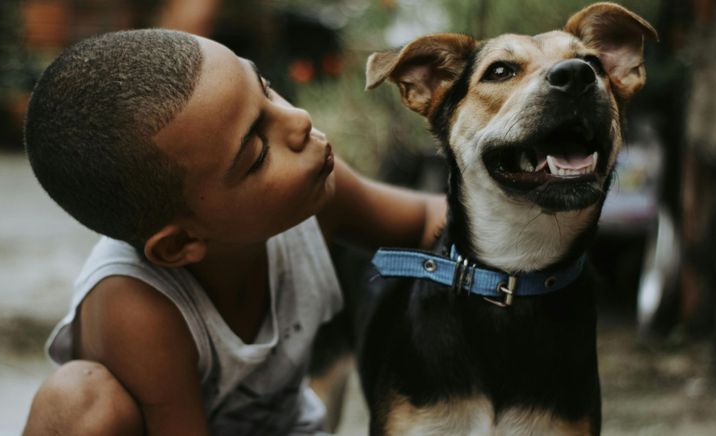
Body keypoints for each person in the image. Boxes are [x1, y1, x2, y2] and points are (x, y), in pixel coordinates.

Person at [22, 29, 445, 435]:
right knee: (78, 397)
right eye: (258, 155)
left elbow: (429, 222)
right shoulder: (138, 305)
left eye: (266, 88)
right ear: (181, 244)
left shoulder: (312, 190)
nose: (298, 121)